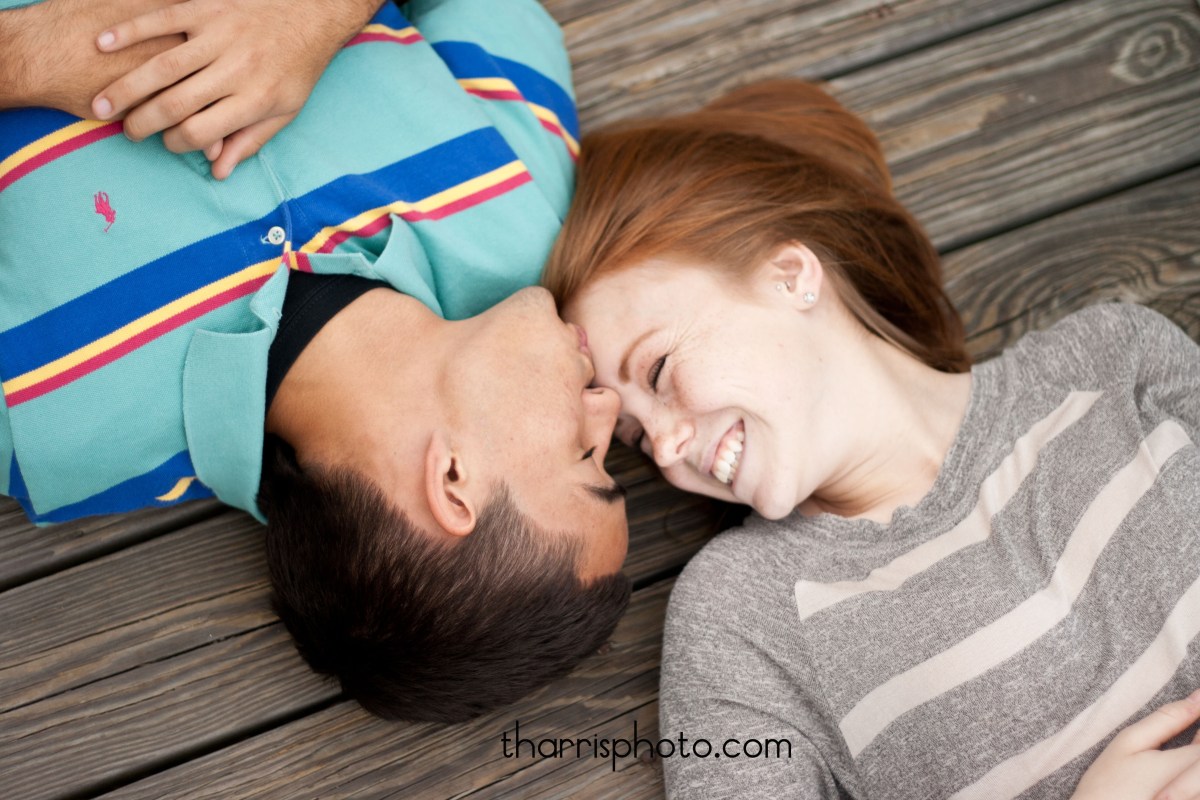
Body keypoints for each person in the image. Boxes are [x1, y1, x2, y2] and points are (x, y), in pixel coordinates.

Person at [543, 79, 1200, 798]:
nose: (665, 450)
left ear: (789, 276)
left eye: (659, 370)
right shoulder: (740, 616)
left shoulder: (1113, 360)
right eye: (637, 438)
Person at [0, 0, 631, 723]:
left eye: (588, 457)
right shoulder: (525, 214)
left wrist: (23, 59)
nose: (608, 405)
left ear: (453, 481)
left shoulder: (44, 427)